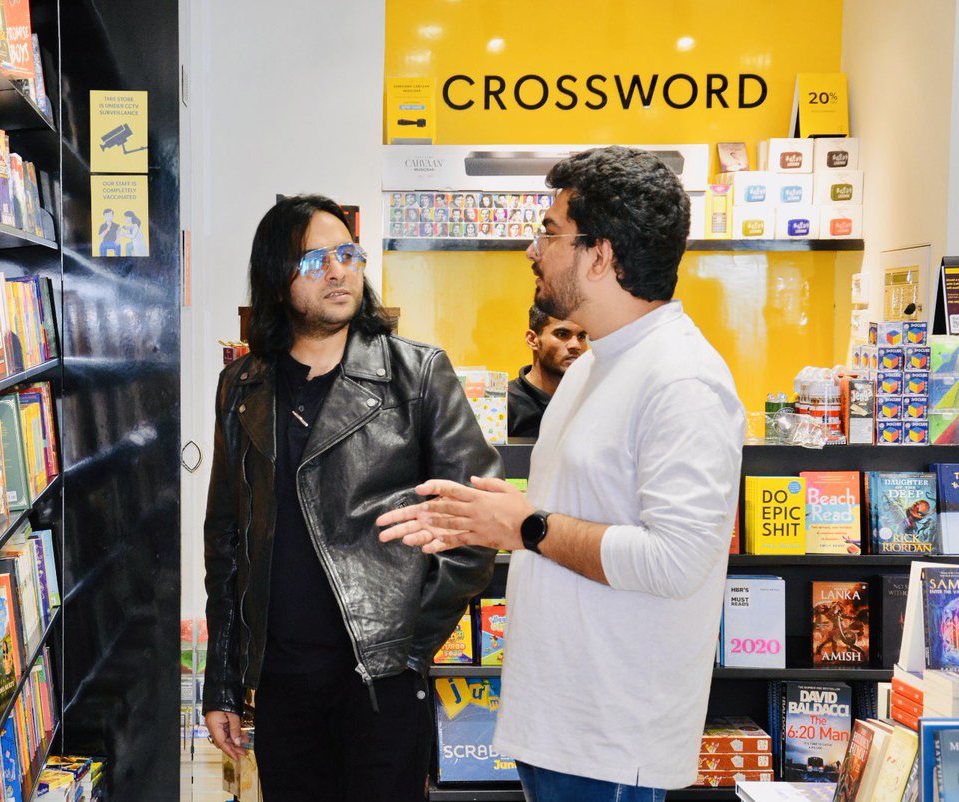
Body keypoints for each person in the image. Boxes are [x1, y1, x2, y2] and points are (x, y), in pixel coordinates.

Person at [377, 146, 745, 801]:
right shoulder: (595, 367)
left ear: (600, 256)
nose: (532, 248)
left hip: (610, 742)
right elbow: (565, 516)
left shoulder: (682, 379)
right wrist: (492, 513)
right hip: (558, 727)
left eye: (550, 231)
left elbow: (676, 559)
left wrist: (526, 523)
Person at [203, 194, 499, 801]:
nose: (338, 271)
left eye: (347, 254)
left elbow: (476, 528)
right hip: (282, 683)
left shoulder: (416, 375)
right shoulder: (242, 386)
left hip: (380, 681)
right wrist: (223, 685)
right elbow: (226, 541)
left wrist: (410, 647)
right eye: (315, 260)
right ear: (275, 277)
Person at [507, 306, 588, 438]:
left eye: (581, 336)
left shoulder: (593, 401)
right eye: (562, 334)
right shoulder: (504, 406)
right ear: (532, 340)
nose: (576, 345)